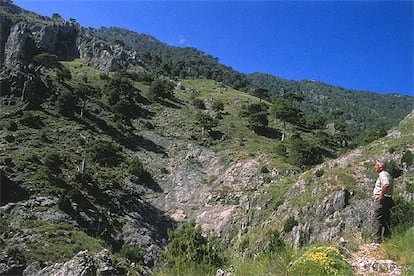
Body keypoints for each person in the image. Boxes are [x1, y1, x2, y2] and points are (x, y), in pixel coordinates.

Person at [372, 160, 394, 243]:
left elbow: (386, 184)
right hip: (388, 199)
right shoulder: (388, 174)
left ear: (380, 167)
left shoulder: (383, 175)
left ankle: (376, 241)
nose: (375, 167)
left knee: (377, 219)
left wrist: (381, 196)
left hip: (382, 200)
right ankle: (387, 239)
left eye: (376, 166)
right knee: (385, 219)